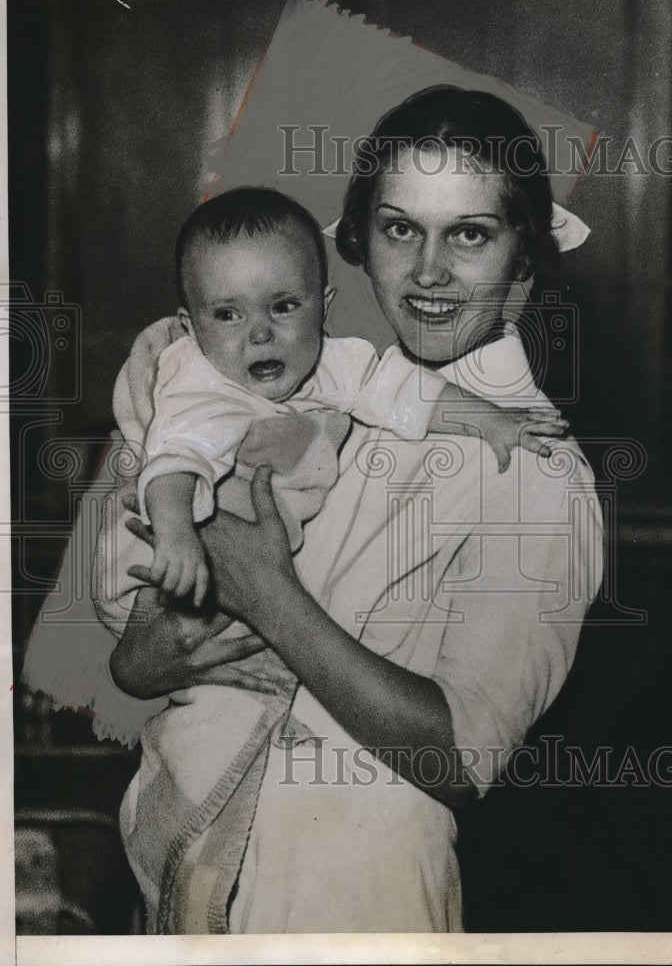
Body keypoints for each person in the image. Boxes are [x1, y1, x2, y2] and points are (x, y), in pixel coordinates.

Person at [27, 85, 604, 934]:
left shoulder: (536, 471)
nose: (429, 271)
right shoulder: (317, 390)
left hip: (353, 891)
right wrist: (145, 656)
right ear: (362, 243)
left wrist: (267, 592)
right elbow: (144, 662)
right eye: (401, 228)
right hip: (195, 860)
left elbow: (458, 753)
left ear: (525, 258)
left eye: (470, 235)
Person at [101, 185, 565, 614]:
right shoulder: (199, 386)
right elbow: (172, 463)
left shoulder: (330, 360)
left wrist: (490, 421)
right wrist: (178, 537)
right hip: (161, 564)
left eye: (284, 306)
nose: (260, 334)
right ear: (190, 328)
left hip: (260, 571)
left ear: (324, 305)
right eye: (227, 315)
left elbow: (403, 390)